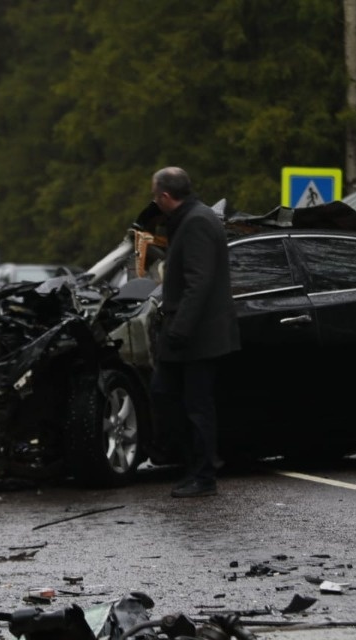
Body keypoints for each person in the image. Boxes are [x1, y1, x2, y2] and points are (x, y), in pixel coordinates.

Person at [148, 167, 240, 498]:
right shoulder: (191, 217)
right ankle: (193, 467)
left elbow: (198, 282)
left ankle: (204, 475)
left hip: (197, 334)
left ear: (165, 196)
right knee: (166, 394)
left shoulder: (197, 221)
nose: (154, 201)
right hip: (191, 332)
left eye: (154, 196)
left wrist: (179, 329)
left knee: (196, 405)